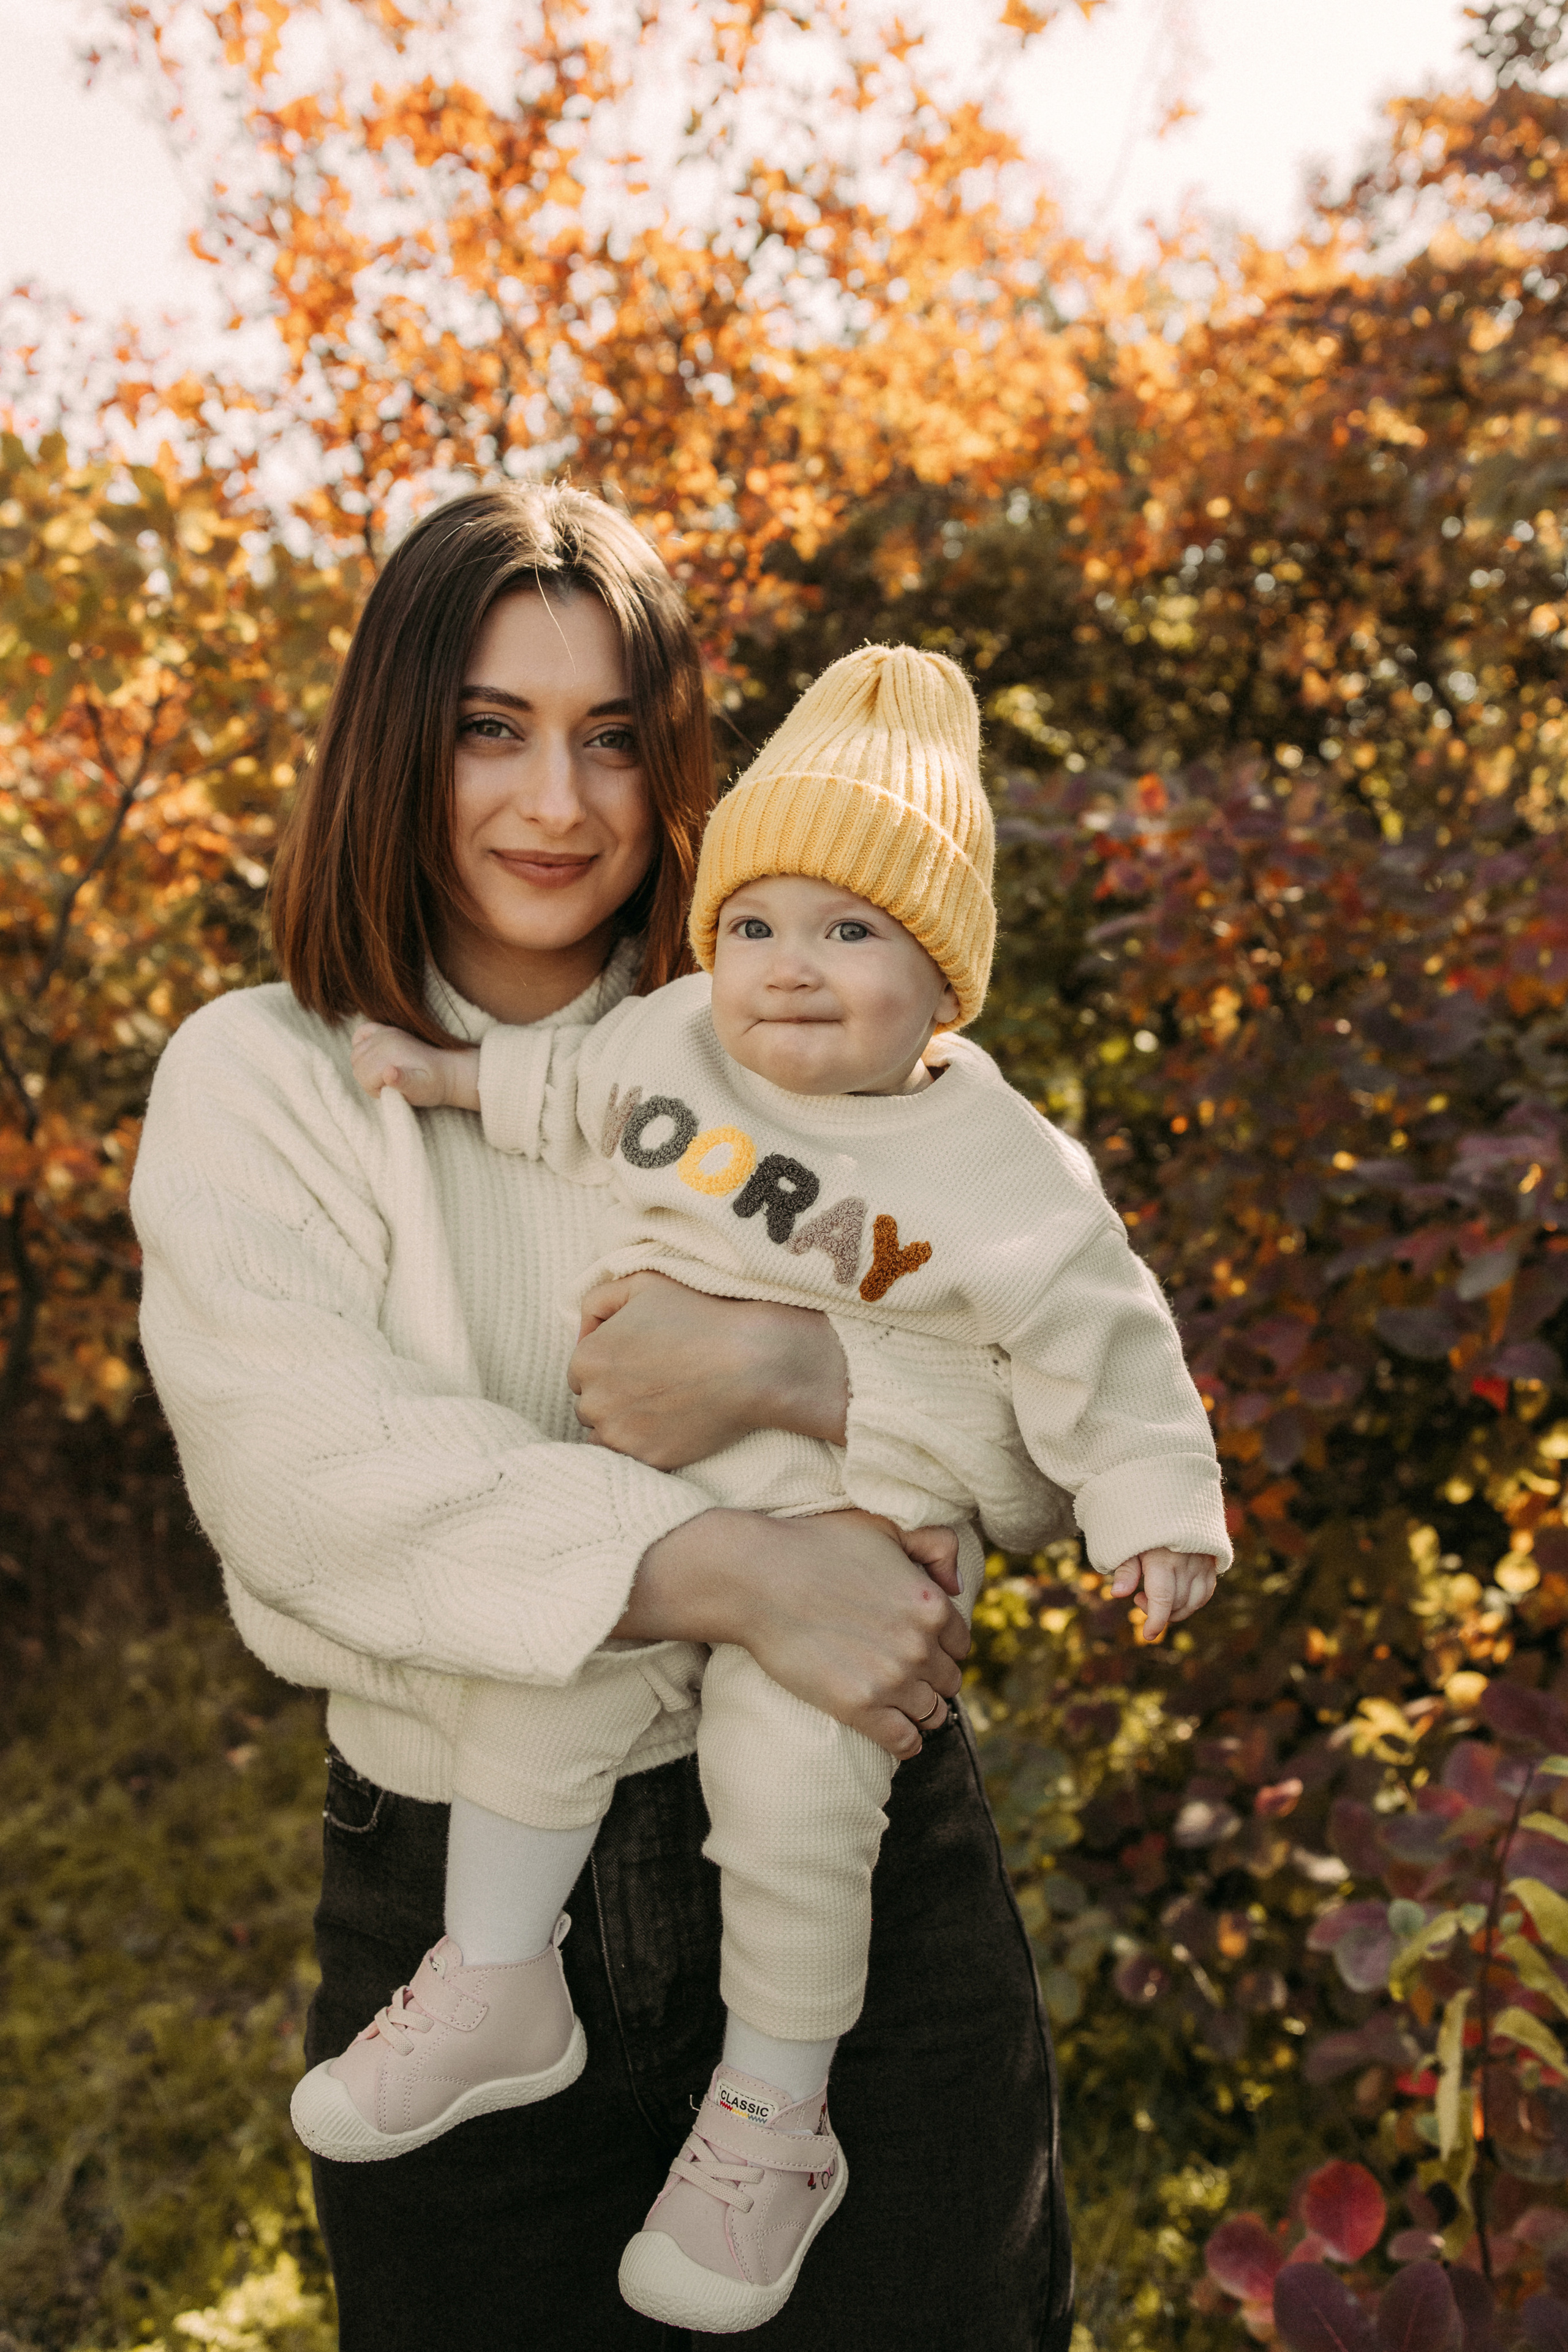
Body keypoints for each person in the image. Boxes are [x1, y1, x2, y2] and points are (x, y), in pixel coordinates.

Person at [129, 484, 1080, 2350]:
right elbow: (314, 1481)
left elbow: (1052, 1435)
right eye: (493, 729)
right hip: (449, 1911)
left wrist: (794, 1374)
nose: (556, 805)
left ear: (681, 776)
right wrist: (738, 1571)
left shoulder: (822, 1038)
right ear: (399, 743)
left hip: (848, 1884)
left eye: (614, 739)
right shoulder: (264, 1078)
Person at [310, 643, 1229, 2332]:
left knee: (796, 1795)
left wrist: (1159, 1509)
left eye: (850, 931)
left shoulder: (1003, 1164)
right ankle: (497, 1975)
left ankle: (773, 2119)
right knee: (554, 1660)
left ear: (943, 981)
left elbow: (1105, 1347)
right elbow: (563, 1095)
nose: (787, 971)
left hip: (857, 1540)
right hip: (652, 1499)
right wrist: (446, 1078)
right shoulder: (669, 1045)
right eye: (753, 925)